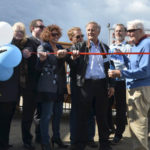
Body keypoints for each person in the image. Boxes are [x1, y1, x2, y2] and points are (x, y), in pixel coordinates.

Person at [70, 21, 115, 150]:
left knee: (102, 116)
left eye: (93, 30)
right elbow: (72, 64)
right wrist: (72, 58)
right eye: (88, 30)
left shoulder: (105, 48)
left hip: (101, 85)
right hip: (86, 85)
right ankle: (80, 144)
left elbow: (111, 67)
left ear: (98, 31)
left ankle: (104, 144)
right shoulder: (79, 46)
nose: (90, 32)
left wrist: (111, 85)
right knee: (82, 116)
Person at [108, 19, 150, 150]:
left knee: (137, 124)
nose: (129, 34)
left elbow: (144, 71)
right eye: (128, 31)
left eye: (131, 31)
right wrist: (124, 57)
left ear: (140, 31)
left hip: (139, 88)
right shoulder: (137, 45)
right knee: (139, 123)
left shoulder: (146, 44)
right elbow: (133, 65)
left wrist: (120, 73)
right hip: (135, 87)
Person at [36, 25, 68, 150]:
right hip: (47, 86)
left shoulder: (60, 47)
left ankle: (56, 138)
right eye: (52, 34)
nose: (55, 36)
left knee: (58, 114)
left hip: (59, 86)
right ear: (47, 35)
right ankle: (45, 142)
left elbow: (61, 67)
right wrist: (43, 59)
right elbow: (38, 67)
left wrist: (63, 56)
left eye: (57, 34)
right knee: (47, 115)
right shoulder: (43, 46)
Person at [67, 27, 97, 148]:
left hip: (88, 85)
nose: (81, 38)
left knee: (90, 112)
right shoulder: (70, 50)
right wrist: (73, 58)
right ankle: (74, 139)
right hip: (77, 85)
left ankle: (89, 138)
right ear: (71, 39)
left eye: (81, 36)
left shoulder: (87, 48)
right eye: (77, 37)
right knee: (76, 113)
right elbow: (72, 68)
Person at [21, 19, 45, 146]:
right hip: (31, 83)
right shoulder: (29, 41)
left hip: (42, 83)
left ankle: (39, 136)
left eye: (43, 26)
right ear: (32, 28)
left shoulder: (44, 43)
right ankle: (26, 140)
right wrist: (26, 53)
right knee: (28, 114)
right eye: (39, 26)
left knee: (39, 113)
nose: (42, 28)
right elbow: (25, 53)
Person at [109, 24, 131, 144]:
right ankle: (110, 128)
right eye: (117, 31)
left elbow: (131, 65)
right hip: (111, 81)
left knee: (120, 109)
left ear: (125, 33)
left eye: (121, 31)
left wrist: (122, 55)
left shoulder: (129, 47)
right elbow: (109, 62)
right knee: (106, 105)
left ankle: (118, 134)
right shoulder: (110, 46)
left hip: (123, 81)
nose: (118, 33)